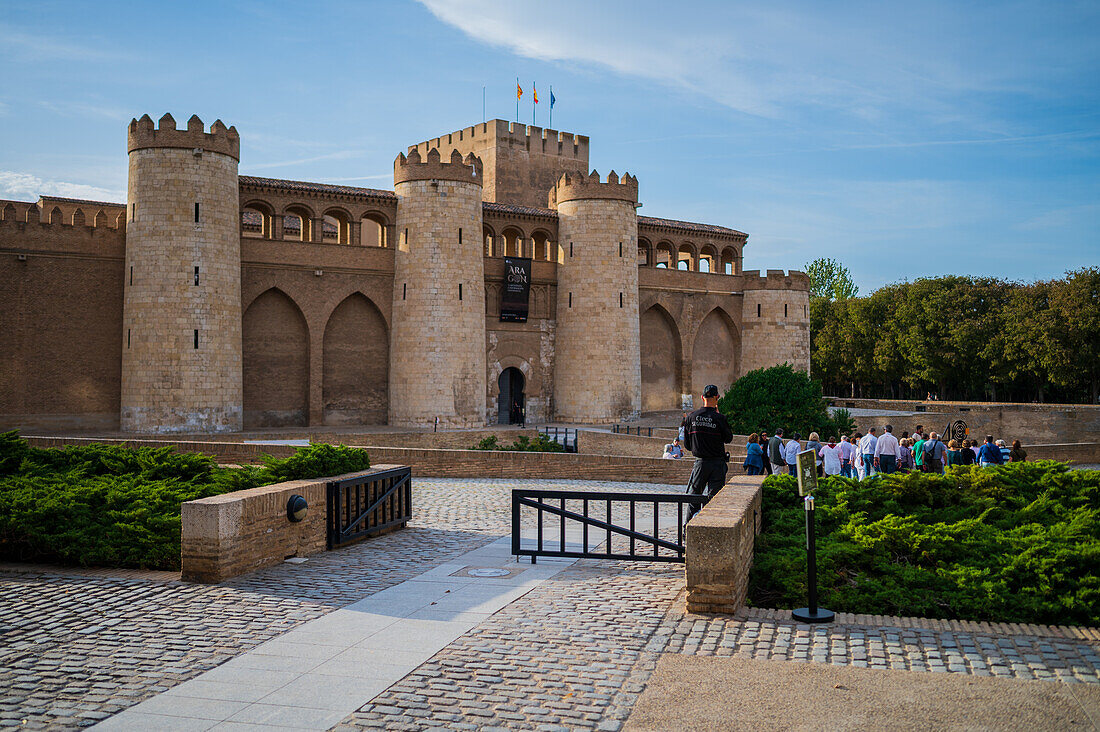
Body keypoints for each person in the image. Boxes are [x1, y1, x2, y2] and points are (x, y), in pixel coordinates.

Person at [680, 385, 734, 521]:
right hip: (717, 464)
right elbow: (728, 438)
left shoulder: (691, 417)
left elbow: (687, 445)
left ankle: (688, 529)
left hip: (700, 463)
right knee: (714, 500)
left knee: (694, 499)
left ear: (702, 397)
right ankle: (710, 527)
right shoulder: (720, 418)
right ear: (717, 398)